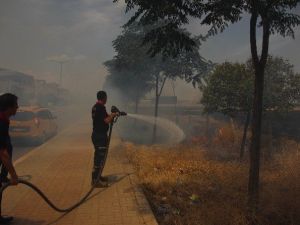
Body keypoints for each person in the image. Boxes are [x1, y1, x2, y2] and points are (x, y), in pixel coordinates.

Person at [91, 91, 118, 187]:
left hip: (97, 135)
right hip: (100, 136)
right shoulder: (100, 108)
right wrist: (113, 115)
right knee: (99, 158)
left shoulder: (96, 107)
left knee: (99, 157)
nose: (107, 99)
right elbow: (106, 120)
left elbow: (106, 118)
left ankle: (98, 176)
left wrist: (112, 115)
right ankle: (95, 181)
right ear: (103, 98)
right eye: (106, 97)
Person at [0, 93, 19, 224]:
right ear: (9, 107)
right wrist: (14, 175)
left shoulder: (4, 120)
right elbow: (3, 154)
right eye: (16, 105)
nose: (18, 107)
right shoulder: (1, 122)